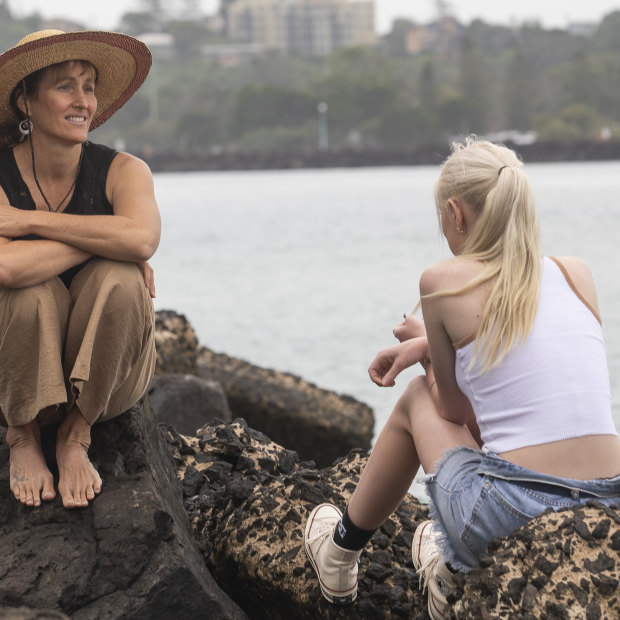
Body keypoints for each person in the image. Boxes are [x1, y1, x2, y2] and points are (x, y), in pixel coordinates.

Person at [304, 138, 620, 618]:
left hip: (515, 512)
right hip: (607, 502)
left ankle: (339, 554)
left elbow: (452, 409)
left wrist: (430, 359)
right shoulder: (576, 273)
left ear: (456, 213)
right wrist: (432, 346)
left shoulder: (443, 281)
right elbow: (517, 376)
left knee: (415, 399)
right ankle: (447, 565)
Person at [0, 30, 160, 510]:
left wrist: (28, 222)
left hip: (109, 382)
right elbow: (6, 267)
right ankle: (22, 434)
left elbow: (143, 239)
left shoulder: (124, 171)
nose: (83, 100)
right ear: (26, 100)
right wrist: (107, 237)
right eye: (65, 86)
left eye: (88, 86)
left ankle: (76, 434)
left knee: (122, 278)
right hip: (13, 370)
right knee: (26, 291)